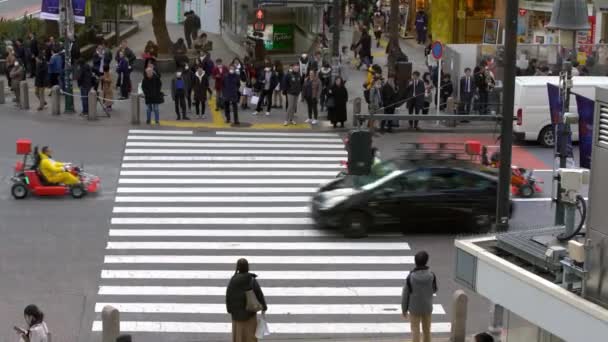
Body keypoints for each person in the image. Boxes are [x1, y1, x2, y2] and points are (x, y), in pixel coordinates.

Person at [226, 258, 267, 342]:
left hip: (236, 316)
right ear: (247, 267)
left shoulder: (233, 280)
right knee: (250, 337)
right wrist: (264, 307)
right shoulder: (251, 280)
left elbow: (228, 296)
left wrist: (230, 310)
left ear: (237, 268)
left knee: (239, 337)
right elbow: (259, 294)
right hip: (250, 315)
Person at [402, 251, 438, 342]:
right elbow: (434, 289)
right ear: (426, 261)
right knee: (427, 330)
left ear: (415, 262)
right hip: (427, 308)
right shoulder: (432, 276)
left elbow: (405, 294)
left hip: (414, 309)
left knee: (415, 331)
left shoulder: (410, 277)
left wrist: (404, 309)